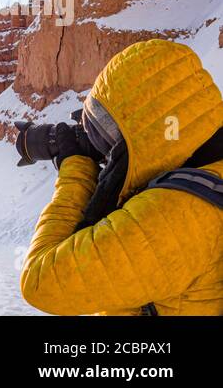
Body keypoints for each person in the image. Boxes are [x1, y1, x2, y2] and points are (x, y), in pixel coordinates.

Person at [21, 39, 223, 316]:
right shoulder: (210, 170)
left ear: (146, 127)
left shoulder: (173, 214)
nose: (107, 151)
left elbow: (40, 282)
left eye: (110, 136)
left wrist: (76, 170)